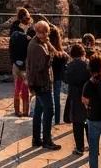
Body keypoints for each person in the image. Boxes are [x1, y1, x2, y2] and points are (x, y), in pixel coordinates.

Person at [25, 20, 60, 150]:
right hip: (42, 83)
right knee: (49, 110)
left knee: (39, 111)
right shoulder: (37, 47)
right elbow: (41, 67)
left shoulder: (36, 42)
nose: (47, 36)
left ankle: (36, 139)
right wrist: (50, 57)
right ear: (40, 33)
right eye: (46, 34)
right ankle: (46, 140)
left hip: (38, 82)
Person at [9, 12, 31, 118]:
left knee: (18, 89)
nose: (29, 20)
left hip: (16, 63)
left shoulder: (14, 31)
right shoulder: (27, 32)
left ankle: (18, 111)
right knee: (24, 89)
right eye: (28, 17)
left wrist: (13, 61)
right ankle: (25, 111)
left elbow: (11, 48)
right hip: (24, 64)